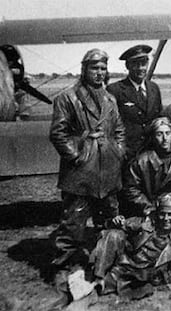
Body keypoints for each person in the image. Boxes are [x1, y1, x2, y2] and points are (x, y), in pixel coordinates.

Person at [49, 48, 126, 268]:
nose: (99, 73)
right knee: (73, 224)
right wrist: (79, 154)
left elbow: (119, 129)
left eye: (103, 68)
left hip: (108, 170)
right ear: (84, 70)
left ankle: (105, 263)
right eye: (94, 68)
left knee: (109, 221)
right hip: (81, 172)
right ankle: (63, 269)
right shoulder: (68, 98)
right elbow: (58, 134)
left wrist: (117, 151)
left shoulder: (110, 99)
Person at [90, 192, 171, 300]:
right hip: (124, 263)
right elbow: (120, 225)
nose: (165, 218)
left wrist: (162, 278)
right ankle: (98, 277)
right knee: (114, 234)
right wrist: (114, 222)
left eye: (170, 214)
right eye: (162, 214)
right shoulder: (145, 223)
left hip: (144, 274)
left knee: (102, 287)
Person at [107, 44, 162, 161]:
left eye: (144, 64)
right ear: (128, 66)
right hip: (128, 155)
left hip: (151, 152)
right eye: (136, 64)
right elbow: (109, 126)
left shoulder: (154, 88)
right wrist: (120, 150)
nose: (141, 68)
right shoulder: (115, 90)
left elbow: (159, 119)